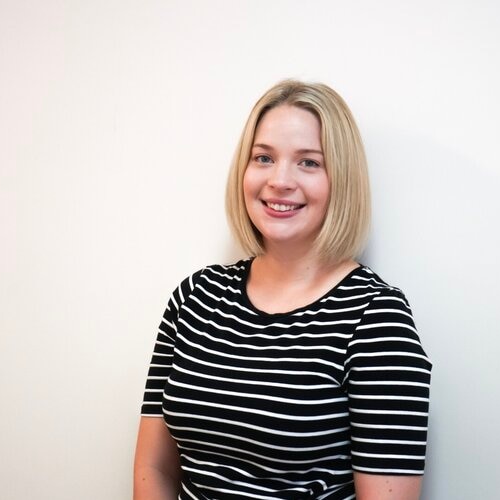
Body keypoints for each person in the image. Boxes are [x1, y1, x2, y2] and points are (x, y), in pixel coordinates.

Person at [134, 80, 432, 500]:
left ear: (341, 180)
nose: (279, 180)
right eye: (264, 157)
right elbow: (154, 467)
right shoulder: (195, 298)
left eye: (308, 163)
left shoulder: (376, 317)